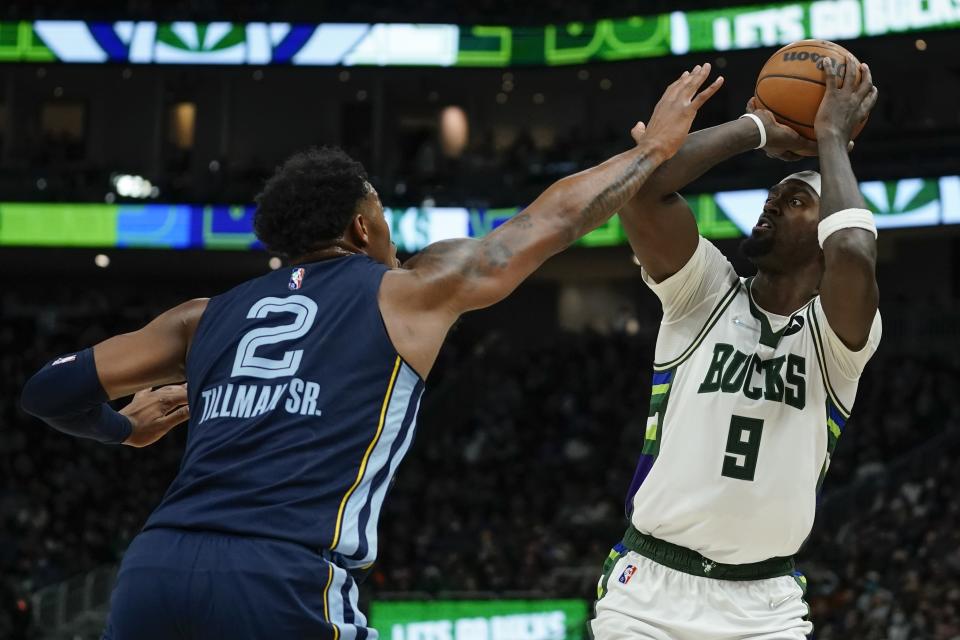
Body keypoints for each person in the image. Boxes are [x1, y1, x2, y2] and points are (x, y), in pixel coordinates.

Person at [20, 65, 723, 640]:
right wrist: (653, 151)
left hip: (154, 569)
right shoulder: (407, 292)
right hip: (282, 578)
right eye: (384, 213)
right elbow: (551, 220)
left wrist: (123, 427)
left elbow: (48, 392)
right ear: (361, 227)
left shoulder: (201, 321)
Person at [589, 56, 880, 639]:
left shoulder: (838, 340)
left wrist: (829, 137)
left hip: (764, 608)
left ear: (822, 232)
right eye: (773, 196)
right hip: (648, 591)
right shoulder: (704, 292)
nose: (772, 204)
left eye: (795, 200)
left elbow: (851, 249)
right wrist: (762, 131)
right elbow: (641, 189)